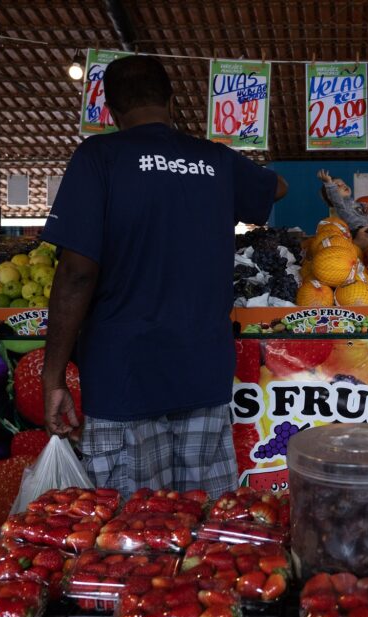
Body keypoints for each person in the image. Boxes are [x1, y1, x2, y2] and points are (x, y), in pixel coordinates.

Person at [40, 55, 287, 499]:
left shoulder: (100, 157)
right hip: (202, 374)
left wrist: (53, 377)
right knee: (209, 532)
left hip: (123, 378)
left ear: (112, 110)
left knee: (133, 539)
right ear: (172, 103)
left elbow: (76, 272)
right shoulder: (215, 159)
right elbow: (277, 188)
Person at [316, 169, 368, 249]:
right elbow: (334, 196)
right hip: (356, 232)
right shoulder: (340, 205)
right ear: (331, 196)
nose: (343, 185)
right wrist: (328, 183)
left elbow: (363, 208)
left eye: (343, 183)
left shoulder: (354, 202)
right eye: (337, 185)